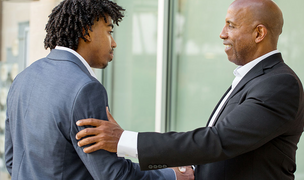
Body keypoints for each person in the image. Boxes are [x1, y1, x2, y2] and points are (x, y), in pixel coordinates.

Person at [75, 0, 304, 179]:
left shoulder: (279, 84)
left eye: (231, 25)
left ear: (259, 34)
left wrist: (124, 140)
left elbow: (218, 141)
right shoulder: (256, 78)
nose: (222, 33)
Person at [4, 0, 194, 179]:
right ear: (86, 31)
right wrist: (173, 175)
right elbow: (112, 175)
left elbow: (12, 161)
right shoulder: (85, 89)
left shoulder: (23, 77)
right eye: (109, 31)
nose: (114, 43)